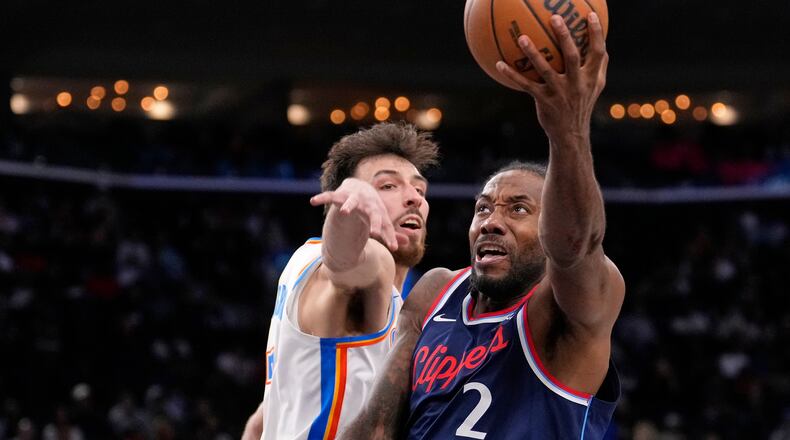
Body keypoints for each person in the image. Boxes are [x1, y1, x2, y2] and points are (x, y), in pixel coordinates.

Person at [339, 12, 622, 439]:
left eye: (518, 209)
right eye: (484, 208)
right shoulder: (435, 293)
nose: (492, 221)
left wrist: (568, 132)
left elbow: (576, 244)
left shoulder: (567, 310)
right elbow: (375, 429)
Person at [241, 122, 439, 440]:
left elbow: (259, 424)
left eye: (419, 189)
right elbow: (346, 267)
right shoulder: (366, 266)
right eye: (388, 186)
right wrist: (349, 212)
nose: (413, 198)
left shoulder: (305, 261)